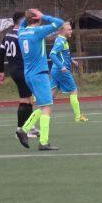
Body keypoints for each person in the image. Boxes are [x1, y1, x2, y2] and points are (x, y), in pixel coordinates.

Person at [15, 9, 64, 150]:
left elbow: (24, 24)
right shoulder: (38, 32)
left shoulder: (21, 32)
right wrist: (44, 16)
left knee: (43, 106)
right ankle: (43, 142)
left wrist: (30, 16)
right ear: (38, 18)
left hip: (29, 75)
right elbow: (59, 23)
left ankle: (24, 129)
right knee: (47, 106)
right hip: (39, 74)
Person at [0, 11, 37, 137]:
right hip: (22, 70)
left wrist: (1, 71)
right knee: (25, 100)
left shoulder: (8, 34)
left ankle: (29, 127)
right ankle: (20, 130)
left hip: (15, 70)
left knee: (29, 99)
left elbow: (1, 53)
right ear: (22, 21)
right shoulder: (21, 35)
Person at [48, 22, 87, 122]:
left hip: (56, 71)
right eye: (69, 29)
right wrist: (61, 66)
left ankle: (36, 116)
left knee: (50, 96)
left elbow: (63, 54)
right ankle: (78, 116)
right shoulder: (61, 41)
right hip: (61, 71)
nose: (71, 31)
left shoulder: (62, 40)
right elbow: (52, 54)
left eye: (71, 29)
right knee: (74, 90)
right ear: (63, 31)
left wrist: (72, 60)